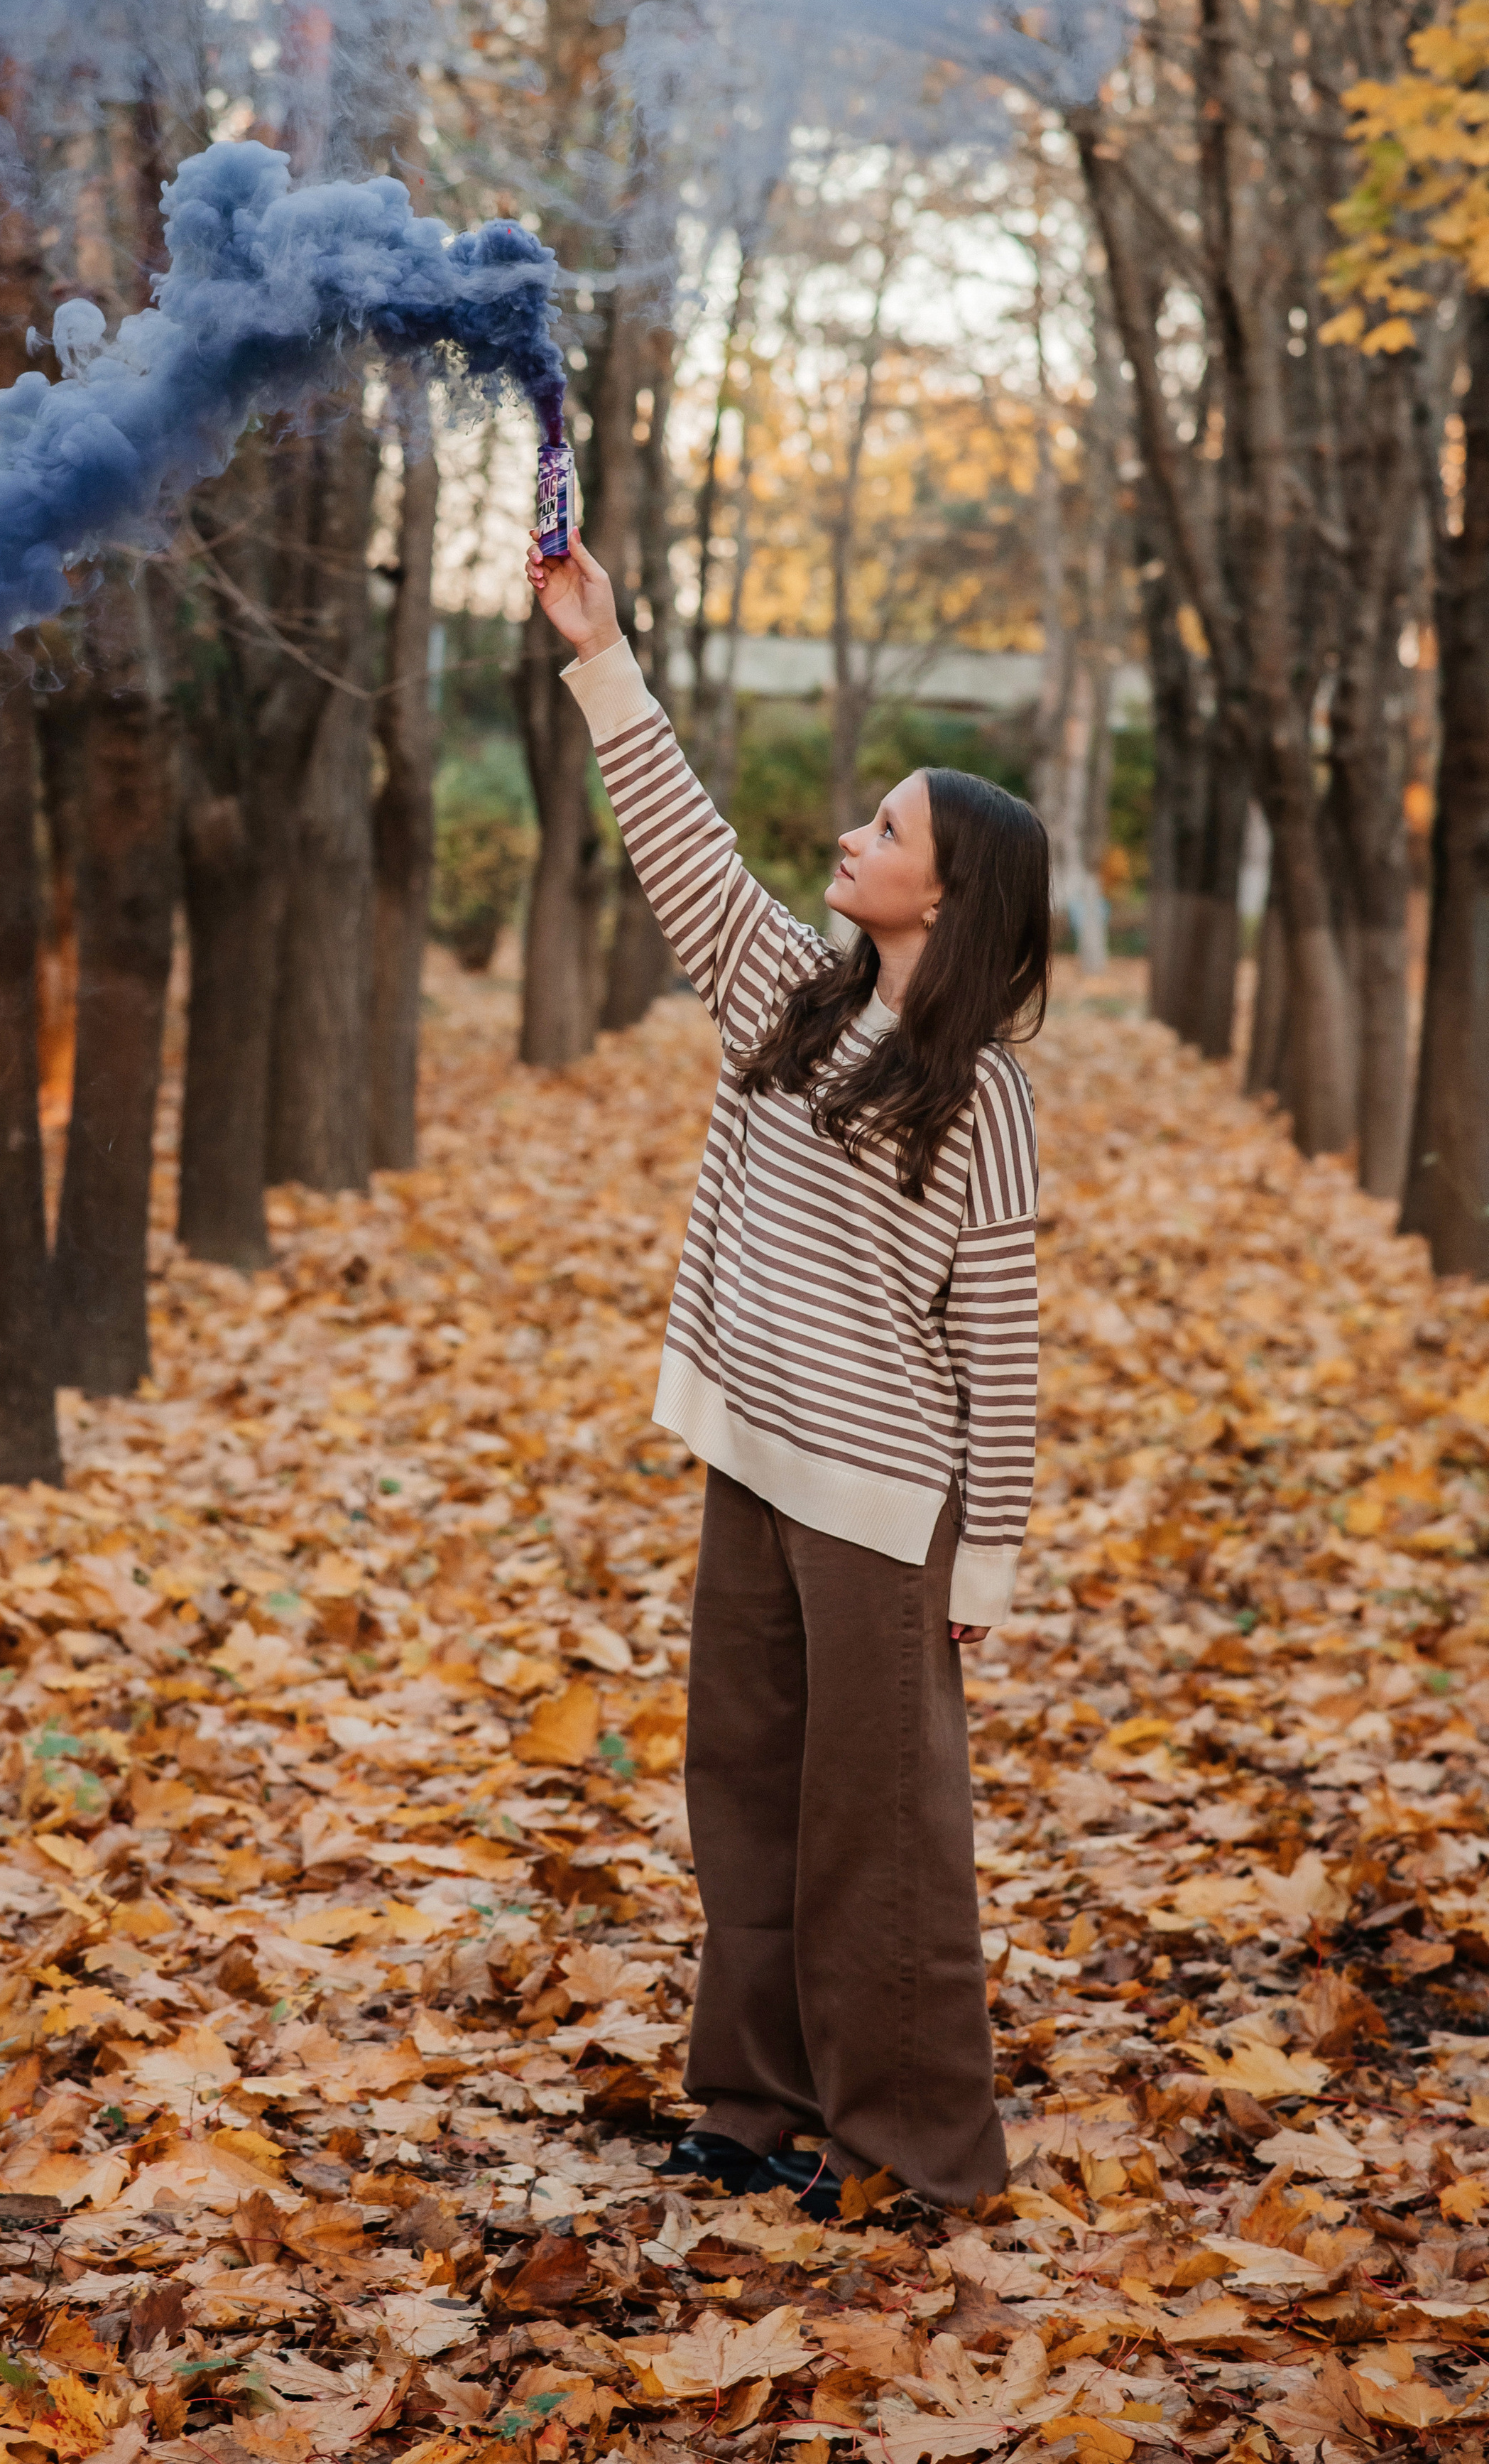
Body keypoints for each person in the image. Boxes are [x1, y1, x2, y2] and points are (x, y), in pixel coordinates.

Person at [526, 529, 1049, 2215]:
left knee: (878, 1832)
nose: (851, 832)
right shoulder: (782, 994)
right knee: (742, 1788)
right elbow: (677, 837)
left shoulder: (981, 1092)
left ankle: (908, 2145)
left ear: (947, 892)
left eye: (885, 827)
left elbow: (1000, 1339)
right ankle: (748, 2105)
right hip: (747, 1458)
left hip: (884, 1506)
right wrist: (599, 651)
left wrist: (992, 1554)